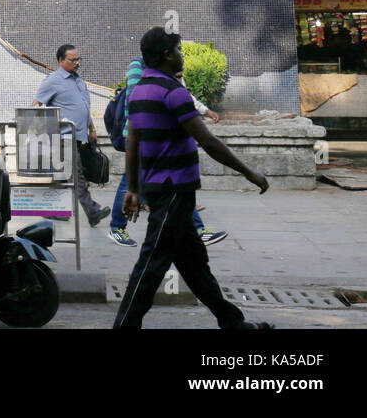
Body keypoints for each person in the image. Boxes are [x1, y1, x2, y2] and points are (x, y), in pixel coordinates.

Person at [113, 27, 273, 329]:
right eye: (178, 51)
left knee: (194, 265)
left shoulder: (138, 92)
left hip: (159, 188)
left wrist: (133, 189)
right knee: (151, 265)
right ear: (167, 55)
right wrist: (249, 172)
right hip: (175, 190)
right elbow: (208, 141)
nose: (181, 56)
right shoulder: (174, 92)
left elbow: (133, 142)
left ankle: (233, 323)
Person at [108, 56, 226, 247]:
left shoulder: (166, 70)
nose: (179, 54)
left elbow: (182, 94)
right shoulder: (138, 68)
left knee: (170, 183)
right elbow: (136, 101)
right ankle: (117, 228)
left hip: (158, 135)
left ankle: (195, 229)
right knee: (132, 182)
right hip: (144, 134)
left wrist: (204, 110)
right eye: (174, 49)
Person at [33, 44, 109, 227]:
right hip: (63, 136)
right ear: (61, 61)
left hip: (79, 135)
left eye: (78, 59)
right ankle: (93, 211)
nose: (77, 63)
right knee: (76, 174)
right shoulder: (53, 80)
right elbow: (35, 104)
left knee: (63, 174)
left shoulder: (78, 79)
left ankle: (54, 210)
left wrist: (91, 128)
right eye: (72, 60)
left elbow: (83, 106)